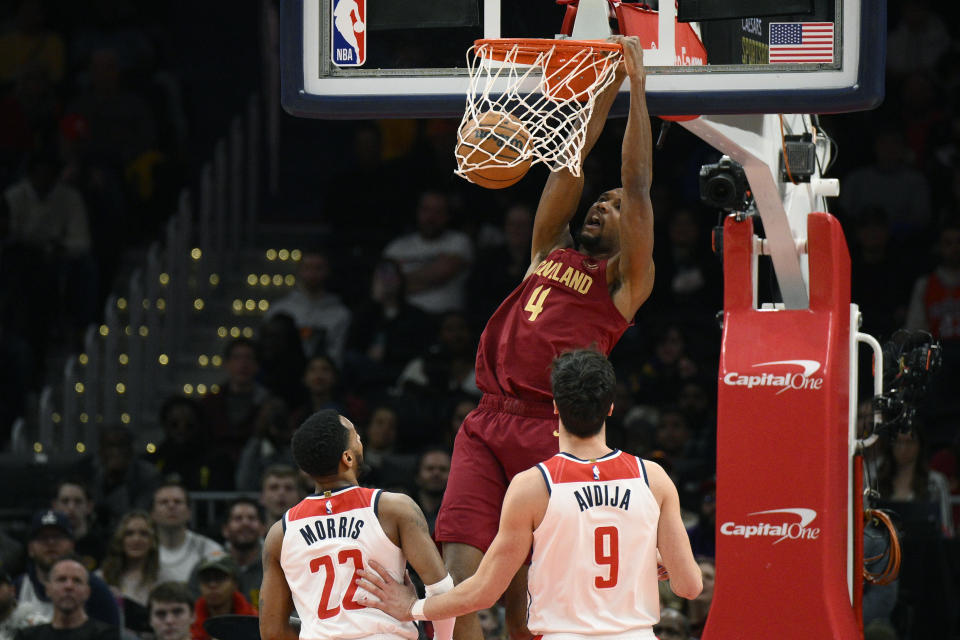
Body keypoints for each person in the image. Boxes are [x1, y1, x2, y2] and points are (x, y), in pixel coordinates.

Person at [432, 36, 656, 640]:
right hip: (485, 420)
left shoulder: (622, 285)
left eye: (610, 208)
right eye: (598, 202)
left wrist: (635, 90)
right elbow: (568, 163)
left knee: (526, 602)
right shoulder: (547, 250)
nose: (601, 207)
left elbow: (637, 189)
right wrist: (598, 91)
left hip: (550, 428)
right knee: (458, 588)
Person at [356, 349, 702, 640]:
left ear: (554, 406)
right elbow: (689, 586)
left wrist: (412, 607)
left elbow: (484, 591)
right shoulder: (652, 478)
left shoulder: (534, 485)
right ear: (611, 407)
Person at [258, 410, 456, 640]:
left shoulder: (280, 533)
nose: (361, 440)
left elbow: (272, 631)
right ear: (348, 458)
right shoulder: (393, 509)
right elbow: (442, 591)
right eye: (357, 437)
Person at [14, 511, 120, 627]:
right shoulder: (18, 588)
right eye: (42, 537)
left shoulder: (95, 589)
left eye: (58, 537)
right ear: (30, 548)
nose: (51, 543)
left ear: (72, 546)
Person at [382, 190, 474, 315]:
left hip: (444, 322)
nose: (431, 217)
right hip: (404, 322)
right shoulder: (396, 247)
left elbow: (441, 273)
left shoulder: (459, 242)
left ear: (447, 216)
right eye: (426, 210)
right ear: (417, 212)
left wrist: (398, 283)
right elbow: (383, 288)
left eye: (438, 211)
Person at [265, 250, 352, 363]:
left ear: (327, 271)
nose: (312, 274)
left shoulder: (341, 314)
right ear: (299, 271)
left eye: (318, 268)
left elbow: (338, 354)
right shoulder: (279, 310)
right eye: (307, 268)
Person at [13, 557, 118, 640]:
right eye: (61, 579)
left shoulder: (107, 636)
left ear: (87, 592)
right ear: (48, 589)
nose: (69, 586)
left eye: (77, 581)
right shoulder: (27, 637)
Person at [96, 511, 159, 636]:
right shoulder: (100, 579)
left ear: (153, 541)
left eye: (144, 534)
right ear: (120, 539)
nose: (136, 539)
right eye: (129, 534)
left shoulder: (163, 579)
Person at [149, 484, 222, 584]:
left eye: (178, 502)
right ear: (152, 514)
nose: (171, 506)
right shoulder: (142, 549)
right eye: (164, 502)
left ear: (189, 512)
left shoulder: (209, 549)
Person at [189, 557, 256, 640]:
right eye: (206, 579)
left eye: (220, 578)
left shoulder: (254, 622)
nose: (212, 585)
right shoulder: (188, 623)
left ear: (235, 584)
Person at [51, 480, 107, 571]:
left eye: (78, 501)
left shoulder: (102, 547)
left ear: (89, 507)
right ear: (55, 506)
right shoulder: (46, 544)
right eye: (65, 501)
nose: (71, 508)